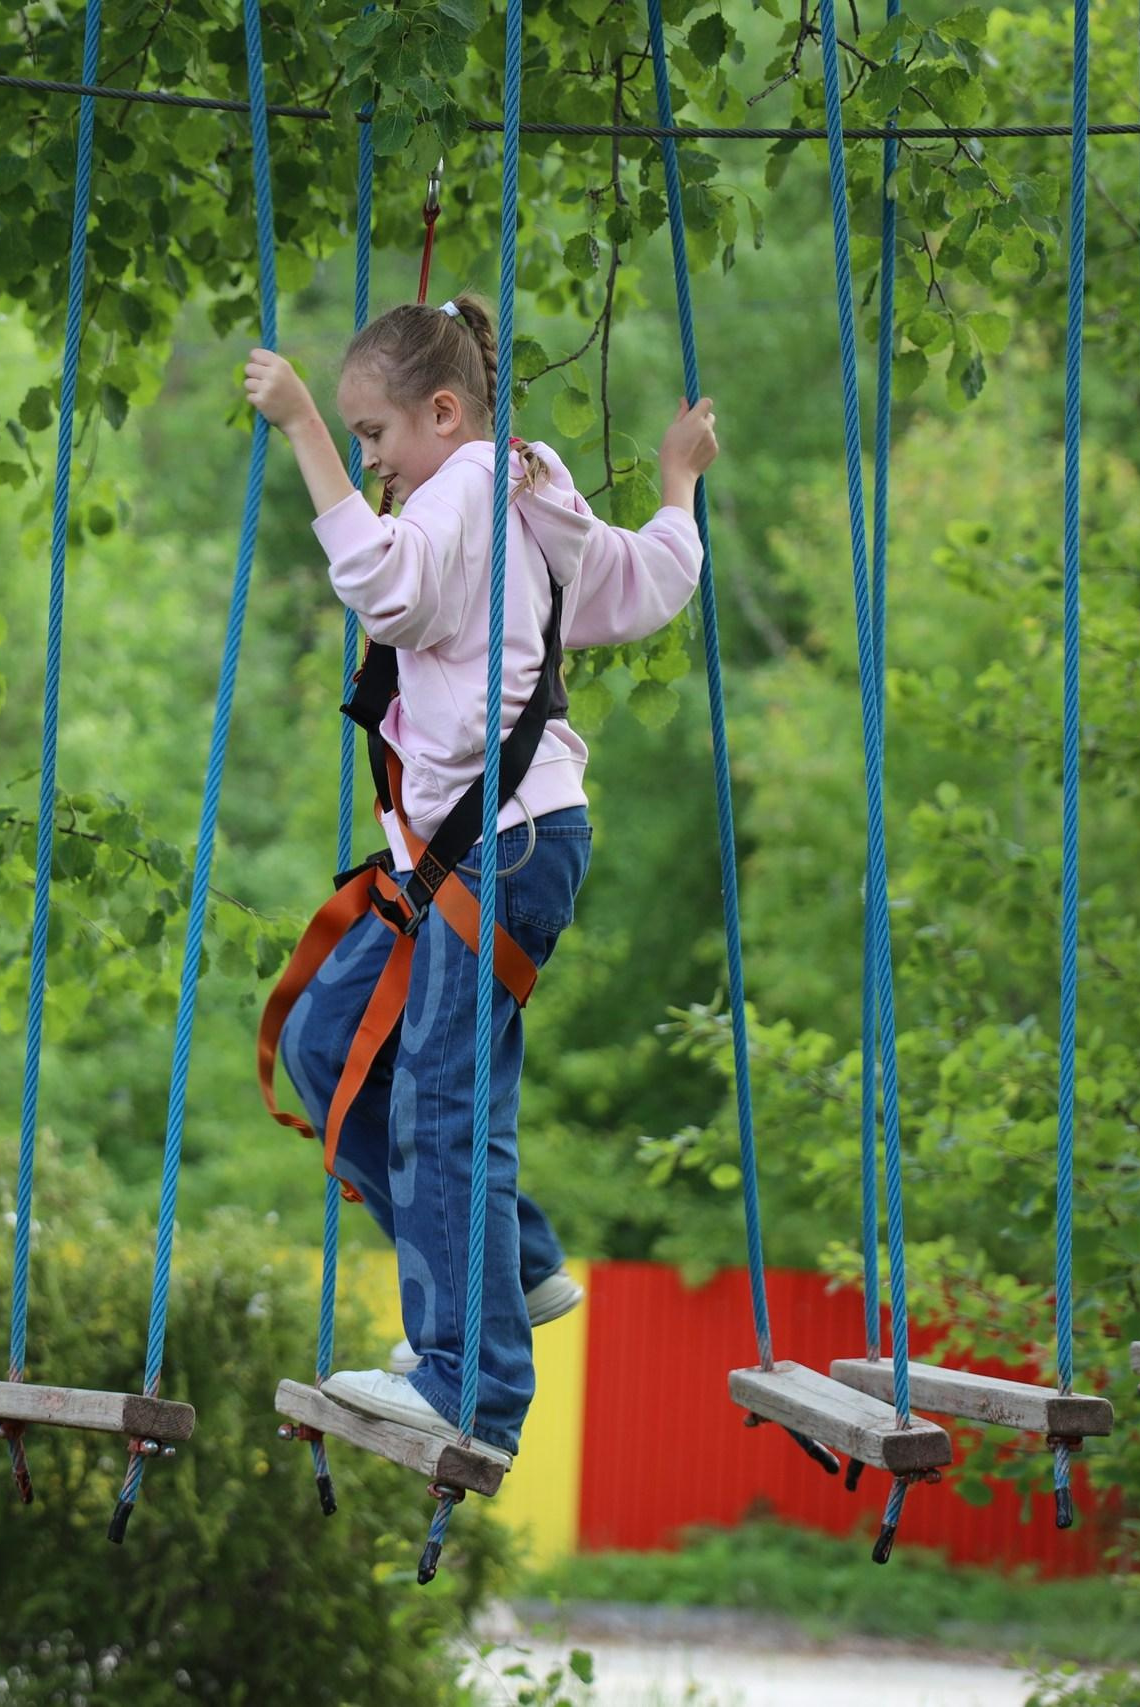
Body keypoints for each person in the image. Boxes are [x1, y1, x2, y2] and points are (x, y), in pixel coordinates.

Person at [244, 292, 720, 1463]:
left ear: (442, 414)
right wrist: (676, 489)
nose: (369, 461)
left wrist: (303, 428)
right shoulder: (506, 495)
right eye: (355, 438)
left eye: (376, 437)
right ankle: (512, 1269)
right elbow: (646, 581)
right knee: (324, 1045)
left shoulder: (469, 487)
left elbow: (386, 591)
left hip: (498, 846)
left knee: (444, 1101)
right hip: (471, 850)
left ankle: (471, 1382)